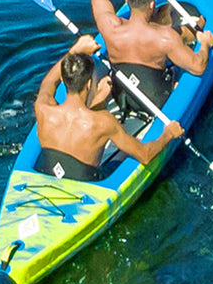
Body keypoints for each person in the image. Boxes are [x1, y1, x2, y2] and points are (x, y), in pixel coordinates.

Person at [34, 35, 184, 181]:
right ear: (88, 85)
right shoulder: (103, 122)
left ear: (64, 79)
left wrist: (75, 50)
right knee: (124, 152)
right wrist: (169, 134)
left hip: (49, 173)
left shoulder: (43, 108)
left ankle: (99, 101)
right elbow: (145, 155)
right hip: (87, 185)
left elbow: (49, 81)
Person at [91, 0, 213, 115]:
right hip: (155, 101)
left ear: (127, 1)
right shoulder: (165, 37)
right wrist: (205, 44)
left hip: (122, 93)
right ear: (152, 4)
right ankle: (194, 28)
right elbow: (198, 67)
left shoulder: (110, 26)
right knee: (182, 42)